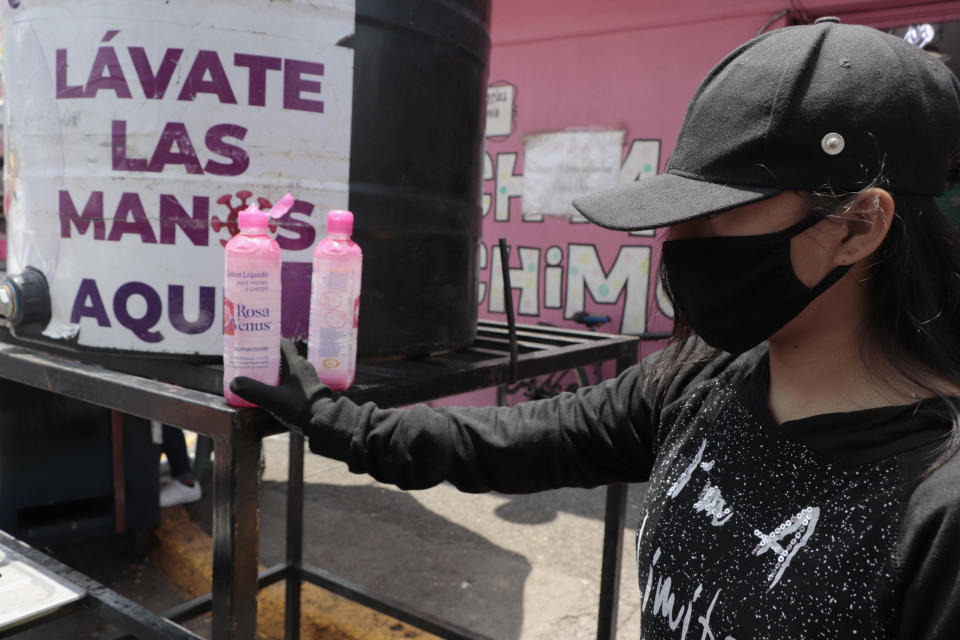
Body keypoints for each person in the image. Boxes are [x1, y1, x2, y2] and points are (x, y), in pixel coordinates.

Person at [231, 18, 960, 639]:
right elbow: (506, 443)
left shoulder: (937, 512)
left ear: (859, 225)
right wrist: (331, 418)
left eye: (719, 212)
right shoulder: (700, 380)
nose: (679, 242)